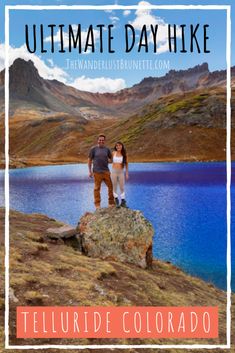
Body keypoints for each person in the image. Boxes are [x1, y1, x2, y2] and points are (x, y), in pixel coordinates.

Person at [88, 134, 115, 209]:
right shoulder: (93, 149)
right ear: (98, 140)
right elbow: (89, 160)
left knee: (110, 187)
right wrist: (90, 171)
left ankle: (111, 203)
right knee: (97, 189)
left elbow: (111, 159)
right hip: (97, 172)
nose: (101, 141)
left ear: (104, 141)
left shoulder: (107, 149)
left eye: (103, 140)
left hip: (106, 171)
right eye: (100, 140)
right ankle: (97, 205)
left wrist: (109, 160)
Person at [111, 141, 128, 207]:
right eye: (117, 145)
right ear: (115, 147)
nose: (118, 147)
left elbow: (126, 164)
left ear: (122, 146)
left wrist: (126, 173)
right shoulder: (113, 153)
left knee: (122, 187)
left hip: (121, 172)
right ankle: (116, 200)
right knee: (114, 187)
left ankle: (123, 201)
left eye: (120, 145)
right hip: (114, 172)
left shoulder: (124, 154)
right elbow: (110, 160)